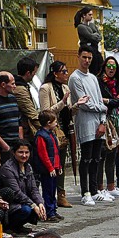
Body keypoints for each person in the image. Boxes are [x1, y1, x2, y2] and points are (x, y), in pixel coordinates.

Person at [68, 48, 107, 207]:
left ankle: (95, 189)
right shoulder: (75, 78)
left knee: (97, 158)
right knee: (86, 158)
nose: (87, 60)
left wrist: (103, 121)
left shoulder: (93, 78)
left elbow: (99, 100)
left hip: (98, 122)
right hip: (85, 123)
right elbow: (84, 104)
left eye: (89, 58)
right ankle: (85, 192)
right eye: (84, 57)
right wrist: (102, 108)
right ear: (78, 57)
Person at [38, 61, 74, 208]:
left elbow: (69, 110)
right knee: (51, 163)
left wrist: (77, 106)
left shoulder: (65, 87)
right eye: (63, 71)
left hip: (65, 129)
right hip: (52, 130)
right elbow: (46, 113)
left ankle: (61, 194)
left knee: (61, 163)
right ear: (55, 73)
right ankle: (49, 197)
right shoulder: (45, 88)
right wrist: (62, 102)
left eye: (66, 71)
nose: (66, 74)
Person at [0, 137, 47, 232]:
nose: (24, 155)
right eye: (21, 152)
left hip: (22, 201)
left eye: (26, 152)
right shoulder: (8, 169)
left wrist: (40, 203)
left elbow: (33, 189)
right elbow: (16, 193)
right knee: (27, 209)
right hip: (9, 204)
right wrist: (33, 205)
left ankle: (18, 226)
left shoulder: (28, 167)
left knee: (41, 207)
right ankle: (9, 226)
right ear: (14, 152)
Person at [97, 56, 119, 200]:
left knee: (113, 154)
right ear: (104, 67)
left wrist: (111, 101)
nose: (111, 69)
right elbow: (101, 101)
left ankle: (111, 186)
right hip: (104, 119)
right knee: (102, 154)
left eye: (114, 67)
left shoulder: (117, 83)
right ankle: (99, 188)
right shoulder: (99, 81)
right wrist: (113, 101)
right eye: (109, 66)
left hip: (116, 120)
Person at [0, 71, 23, 162]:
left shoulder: (13, 98)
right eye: (12, 84)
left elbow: (19, 122)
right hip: (3, 147)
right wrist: (5, 147)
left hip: (16, 146)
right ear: (3, 84)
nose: (15, 86)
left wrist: (21, 143)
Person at [32, 111, 63, 222]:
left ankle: (53, 210)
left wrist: (58, 166)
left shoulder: (51, 134)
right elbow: (43, 154)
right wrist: (50, 167)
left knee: (53, 189)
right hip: (47, 169)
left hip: (53, 167)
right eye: (55, 121)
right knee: (48, 190)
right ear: (48, 123)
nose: (56, 124)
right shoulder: (41, 136)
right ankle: (49, 212)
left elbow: (56, 152)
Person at [12, 56, 41, 143]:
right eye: (34, 73)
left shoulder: (21, 86)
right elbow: (31, 113)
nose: (34, 75)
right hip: (24, 132)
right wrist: (46, 129)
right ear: (28, 73)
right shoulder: (20, 89)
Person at [74, 8, 103, 76]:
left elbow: (99, 37)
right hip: (87, 49)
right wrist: (94, 35)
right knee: (92, 69)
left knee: (100, 66)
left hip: (95, 50)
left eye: (92, 14)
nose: (91, 16)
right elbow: (91, 37)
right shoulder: (80, 26)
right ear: (84, 15)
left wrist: (94, 35)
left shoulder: (92, 25)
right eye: (89, 14)